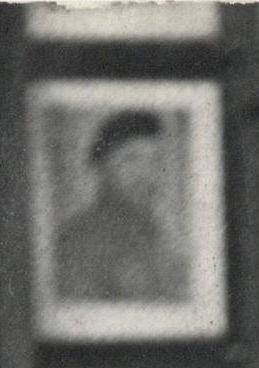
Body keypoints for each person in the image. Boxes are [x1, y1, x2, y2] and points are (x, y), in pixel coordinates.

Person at [52, 108, 183, 304]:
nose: (146, 174)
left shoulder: (156, 235)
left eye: (154, 161)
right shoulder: (75, 240)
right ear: (101, 167)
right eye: (131, 159)